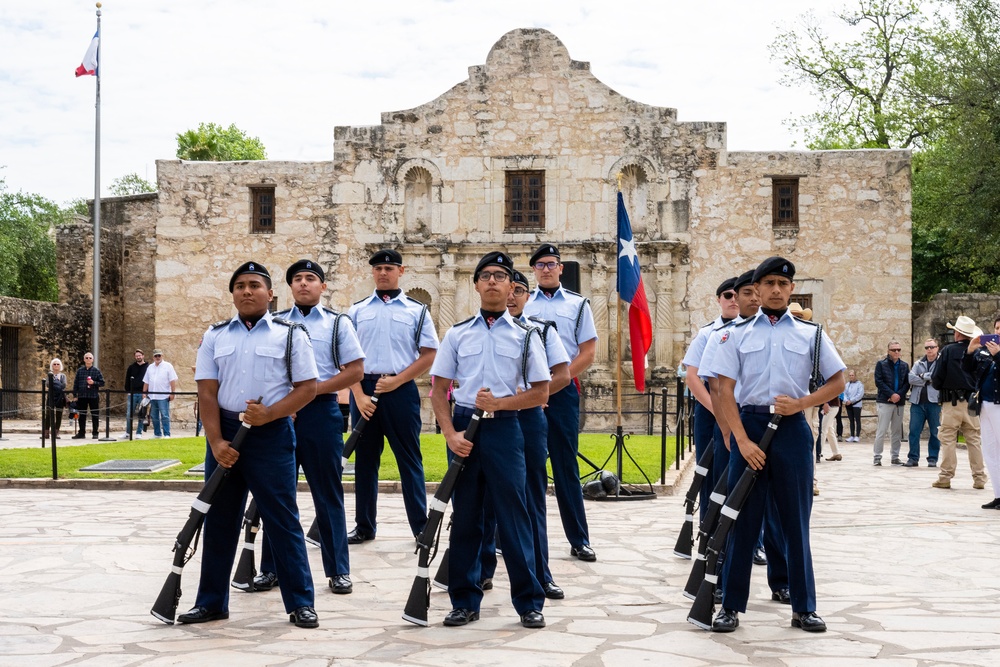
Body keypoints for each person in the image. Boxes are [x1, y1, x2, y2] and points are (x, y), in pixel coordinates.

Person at [707, 256, 846, 634]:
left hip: (791, 430)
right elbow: (724, 391)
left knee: (795, 522)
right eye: (768, 283)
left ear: (791, 289)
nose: (775, 290)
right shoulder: (736, 334)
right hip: (749, 426)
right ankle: (730, 606)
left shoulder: (811, 334)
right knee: (741, 520)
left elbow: (839, 380)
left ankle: (804, 607)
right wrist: (740, 441)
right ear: (757, 289)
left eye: (783, 285)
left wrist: (803, 403)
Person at [180, 260, 319, 628]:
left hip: (269, 436)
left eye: (255, 285)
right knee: (219, 520)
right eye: (239, 285)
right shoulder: (216, 335)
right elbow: (207, 392)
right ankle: (211, 602)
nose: (247, 291)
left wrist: (271, 414)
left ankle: (301, 602)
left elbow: (308, 388)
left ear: (270, 294)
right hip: (225, 433)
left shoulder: (291, 334)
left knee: (282, 520)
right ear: (232, 294)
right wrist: (215, 442)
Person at [430, 251, 550, 628]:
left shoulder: (527, 336)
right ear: (476, 284)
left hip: (503, 428)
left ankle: (529, 601)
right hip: (466, 429)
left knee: (514, 516)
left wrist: (501, 402)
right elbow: (438, 389)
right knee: (466, 518)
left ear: (513, 286)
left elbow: (542, 393)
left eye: (501, 276)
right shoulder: (457, 333)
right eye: (486, 276)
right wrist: (450, 434)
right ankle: (464, 601)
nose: (494, 282)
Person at [253, 259, 365, 595]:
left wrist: (309, 391)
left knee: (327, 494)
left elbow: (355, 371)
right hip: (282, 416)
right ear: (290, 287)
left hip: (319, 414)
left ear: (322, 286)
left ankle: (338, 570)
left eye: (311, 278)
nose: (304, 283)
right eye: (298, 279)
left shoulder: (336, 324)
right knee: (278, 496)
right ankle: (271, 569)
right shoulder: (272, 323)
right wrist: (283, 406)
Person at [479, 269, 571, 600]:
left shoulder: (542, 332)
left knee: (531, 498)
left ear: (526, 296)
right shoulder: (479, 331)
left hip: (528, 417)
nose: (514, 295)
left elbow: (562, 374)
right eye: (510, 288)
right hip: (489, 419)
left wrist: (534, 393)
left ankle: (539, 573)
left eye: (520, 290)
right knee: (483, 498)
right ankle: (481, 570)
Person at [702, 268, 790, 604]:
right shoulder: (724, 335)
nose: (755, 298)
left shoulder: (779, 331)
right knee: (732, 508)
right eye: (749, 292)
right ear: (737, 298)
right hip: (737, 431)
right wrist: (728, 432)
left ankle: (780, 580)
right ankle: (722, 579)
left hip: (772, 429)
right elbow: (716, 386)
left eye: (758, 291)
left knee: (776, 513)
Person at [348, 248, 439, 543]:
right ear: (372, 273)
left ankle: (420, 527)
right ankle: (364, 526)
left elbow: (429, 355)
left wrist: (398, 381)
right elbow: (345, 358)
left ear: (401, 271)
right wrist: (359, 395)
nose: (383, 273)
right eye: (378, 269)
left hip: (400, 390)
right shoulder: (357, 310)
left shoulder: (416, 310)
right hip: (363, 390)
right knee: (365, 462)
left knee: (409, 459)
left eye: (389, 268)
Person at [523, 244, 599, 561]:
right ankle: (522, 537)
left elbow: (588, 353)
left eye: (551, 263)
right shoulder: (523, 304)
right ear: (534, 270)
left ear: (561, 268)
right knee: (527, 466)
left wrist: (555, 385)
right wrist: (535, 391)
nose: (546, 269)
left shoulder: (579, 304)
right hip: (528, 394)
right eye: (540, 265)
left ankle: (579, 539)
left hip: (563, 392)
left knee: (565, 464)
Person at [681, 277, 739, 521]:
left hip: (741, 408)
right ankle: (708, 527)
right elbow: (692, 378)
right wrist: (719, 411)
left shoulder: (752, 330)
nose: (733, 299)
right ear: (719, 300)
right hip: (710, 410)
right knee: (709, 472)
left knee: (743, 474)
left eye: (738, 294)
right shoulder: (707, 333)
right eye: (728, 295)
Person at [931, 315, 987, 490]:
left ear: (957, 333)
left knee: (948, 439)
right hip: (972, 401)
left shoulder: (948, 351)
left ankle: (945, 476)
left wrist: (940, 386)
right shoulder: (977, 351)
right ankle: (979, 478)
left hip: (951, 401)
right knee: (974, 440)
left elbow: (937, 377)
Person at [967, 317, 1000, 509]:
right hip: (985, 405)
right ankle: (998, 495)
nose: (998, 332)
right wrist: (971, 351)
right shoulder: (987, 351)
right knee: (990, 452)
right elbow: (968, 370)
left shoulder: (995, 353)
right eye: (996, 328)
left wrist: (998, 356)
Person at [872, 341, 909, 466]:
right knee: (881, 430)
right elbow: (879, 381)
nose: (896, 352)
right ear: (888, 351)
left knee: (896, 431)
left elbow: (906, 383)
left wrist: (898, 395)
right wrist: (891, 394)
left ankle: (895, 456)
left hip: (899, 402)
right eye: (894, 350)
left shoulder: (904, 365)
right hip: (885, 401)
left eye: (898, 349)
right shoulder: (881, 365)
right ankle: (877, 456)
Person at [905, 338, 941, 467]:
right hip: (917, 402)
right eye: (927, 347)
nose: (929, 350)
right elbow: (910, 378)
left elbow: (939, 377)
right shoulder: (918, 362)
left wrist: (921, 376)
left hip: (935, 402)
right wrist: (927, 378)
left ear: (937, 348)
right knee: (914, 431)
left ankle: (933, 458)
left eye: (932, 347)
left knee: (935, 432)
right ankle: (913, 458)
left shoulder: (941, 362)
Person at [143, 349, 178, 438]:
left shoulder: (168, 366)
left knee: (164, 415)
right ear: (153, 357)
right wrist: (144, 393)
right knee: (154, 415)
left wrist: (172, 393)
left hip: (163, 396)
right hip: (153, 396)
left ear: (162, 356)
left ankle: (167, 433)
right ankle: (157, 433)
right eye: (156, 356)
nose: (157, 357)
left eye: (159, 356)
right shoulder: (150, 367)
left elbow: (172, 380)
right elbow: (146, 381)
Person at [70, 352, 104, 439]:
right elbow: (76, 383)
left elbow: (102, 383)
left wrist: (94, 382)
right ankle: (81, 433)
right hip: (82, 396)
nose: (88, 359)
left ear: (92, 360)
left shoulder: (96, 371)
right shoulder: (80, 371)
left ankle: (95, 433)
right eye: (87, 358)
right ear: (84, 359)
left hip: (93, 396)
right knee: (82, 415)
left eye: (90, 358)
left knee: (95, 415)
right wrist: (75, 395)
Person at [122, 349, 148, 439]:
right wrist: (128, 391)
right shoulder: (131, 367)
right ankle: (128, 432)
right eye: (136, 356)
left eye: (139, 355)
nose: (138, 357)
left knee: (141, 413)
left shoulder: (148, 367)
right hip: (132, 393)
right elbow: (127, 380)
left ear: (143, 356)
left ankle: (139, 432)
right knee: (129, 413)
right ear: (135, 357)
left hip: (142, 394)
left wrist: (146, 393)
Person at [43, 358, 67, 440]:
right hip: (51, 396)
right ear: (52, 365)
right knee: (48, 414)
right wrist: (57, 383)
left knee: (59, 414)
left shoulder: (63, 376)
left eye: (58, 364)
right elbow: (47, 384)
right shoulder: (49, 375)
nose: (56, 365)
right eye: (54, 364)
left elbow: (64, 385)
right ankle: (46, 432)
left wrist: (55, 383)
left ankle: (56, 432)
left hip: (60, 396)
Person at [842, 371, 864, 442]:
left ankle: (857, 436)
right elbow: (844, 393)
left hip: (856, 405)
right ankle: (852, 435)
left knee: (857, 420)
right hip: (848, 404)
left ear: (855, 376)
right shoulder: (847, 384)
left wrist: (851, 400)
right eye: (850, 375)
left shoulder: (859, 384)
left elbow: (859, 394)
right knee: (851, 420)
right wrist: (846, 400)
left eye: (852, 375)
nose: (851, 376)